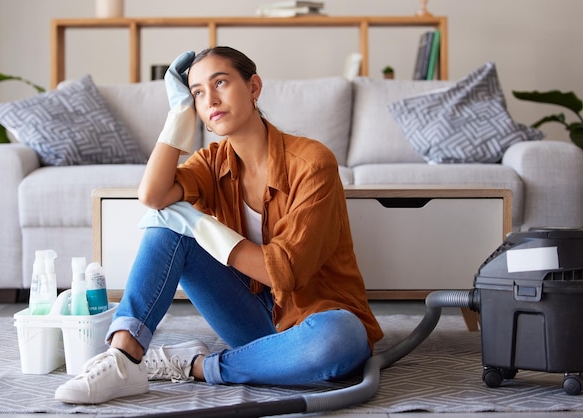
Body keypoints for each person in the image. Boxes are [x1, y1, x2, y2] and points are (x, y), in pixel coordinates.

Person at [55, 46, 383, 405]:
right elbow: (152, 196)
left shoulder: (312, 163)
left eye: (221, 82)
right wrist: (178, 115)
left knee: (339, 338)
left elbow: (286, 272)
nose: (210, 99)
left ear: (254, 87)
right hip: (254, 320)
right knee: (168, 224)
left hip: (319, 320)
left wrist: (203, 227)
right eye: (197, 92)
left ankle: (193, 365)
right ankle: (124, 358)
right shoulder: (211, 162)